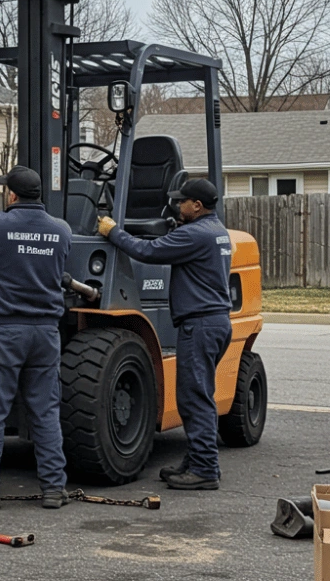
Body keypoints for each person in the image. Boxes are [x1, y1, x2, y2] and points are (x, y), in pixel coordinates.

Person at [97, 177, 233, 491]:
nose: (177, 205)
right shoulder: (216, 230)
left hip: (200, 325)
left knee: (194, 398)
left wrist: (112, 231)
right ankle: (197, 460)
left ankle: (204, 469)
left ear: (197, 205)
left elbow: (147, 251)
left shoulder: (194, 235)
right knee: (199, 395)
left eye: (182, 201)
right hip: (214, 322)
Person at [0, 166, 72, 510]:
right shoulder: (61, 230)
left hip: (4, 332)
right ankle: (54, 488)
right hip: (45, 333)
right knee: (45, 412)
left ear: (12, 195)